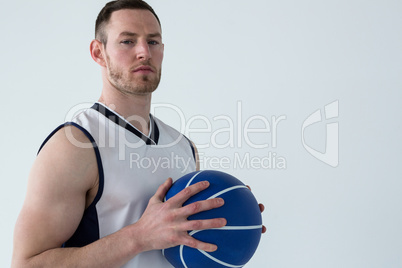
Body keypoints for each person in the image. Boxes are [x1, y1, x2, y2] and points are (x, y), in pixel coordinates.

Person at [12, 0, 265, 267]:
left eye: (153, 42)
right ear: (98, 52)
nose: (144, 52)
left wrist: (231, 222)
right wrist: (139, 236)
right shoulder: (75, 145)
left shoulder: (184, 146)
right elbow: (26, 263)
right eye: (127, 41)